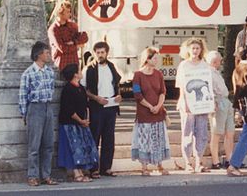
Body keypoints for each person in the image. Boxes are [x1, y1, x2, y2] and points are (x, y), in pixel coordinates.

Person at [19, 41, 58, 186]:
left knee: (48, 144)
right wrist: (24, 114)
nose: (48, 55)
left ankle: (46, 175)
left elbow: (52, 89)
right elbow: (23, 95)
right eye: (46, 53)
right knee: (34, 146)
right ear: (38, 55)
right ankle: (33, 175)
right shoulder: (28, 73)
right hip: (35, 108)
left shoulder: (49, 71)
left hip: (48, 106)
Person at [81, 41, 122, 178]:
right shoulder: (89, 69)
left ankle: (107, 167)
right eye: (97, 52)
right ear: (94, 53)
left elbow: (116, 84)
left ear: (107, 53)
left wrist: (118, 96)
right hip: (96, 106)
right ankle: (94, 168)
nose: (100, 55)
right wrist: (96, 98)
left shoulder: (112, 67)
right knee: (95, 137)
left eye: (102, 52)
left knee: (109, 138)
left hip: (111, 106)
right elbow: (84, 89)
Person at [131, 47, 171, 176]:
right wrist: (149, 106)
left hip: (158, 113)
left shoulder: (158, 74)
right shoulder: (138, 75)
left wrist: (159, 106)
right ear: (147, 59)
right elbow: (137, 94)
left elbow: (162, 92)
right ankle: (144, 166)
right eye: (154, 58)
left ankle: (159, 165)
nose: (156, 60)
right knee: (144, 139)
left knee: (159, 138)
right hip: (144, 114)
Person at [58, 63, 99, 182]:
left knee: (82, 147)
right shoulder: (68, 89)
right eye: (79, 70)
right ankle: (76, 173)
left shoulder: (80, 87)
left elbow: (85, 105)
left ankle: (81, 170)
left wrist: (86, 119)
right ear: (75, 74)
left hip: (81, 123)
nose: (81, 72)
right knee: (73, 148)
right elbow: (68, 109)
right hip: (70, 123)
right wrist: (80, 120)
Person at [175, 38, 211, 173]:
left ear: (201, 50)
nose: (195, 51)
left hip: (202, 104)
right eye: (193, 48)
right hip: (187, 104)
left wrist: (210, 102)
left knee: (201, 133)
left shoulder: (205, 65)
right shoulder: (184, 65)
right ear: (188, 49)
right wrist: (184, 102)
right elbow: (181, 87)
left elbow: (208, 85)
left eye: (198, 48)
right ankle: (188, 162)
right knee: (187, 133)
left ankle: (198, 162)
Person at [206, 50, 234, 169]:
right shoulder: (208, 73)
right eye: (218, 61)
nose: (220, 63)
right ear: (214, 61)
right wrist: (213, 103)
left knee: (229, 132)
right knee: (216, 132)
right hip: (218, 101)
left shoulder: (216, 73)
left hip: (225, 100)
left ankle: (229, 159)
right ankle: (215, 161)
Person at [48, 0, 89, 71]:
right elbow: (62, 48)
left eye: (69, 11)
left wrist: (73, 42)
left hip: (74, 64)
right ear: (60, 13)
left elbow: (85, 37)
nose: (70, 14)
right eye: (67, 12)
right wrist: (77, 46)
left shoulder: (72, 25)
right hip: (61, 66)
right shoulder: (53, 29)